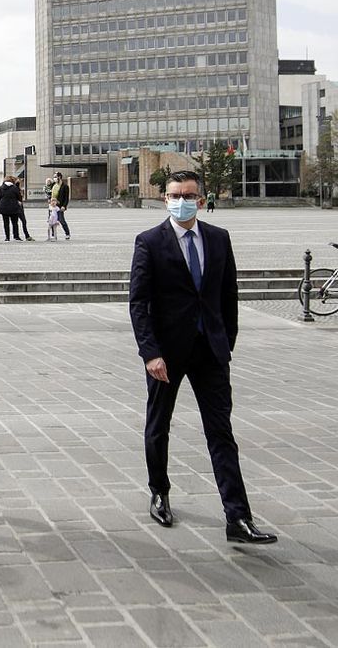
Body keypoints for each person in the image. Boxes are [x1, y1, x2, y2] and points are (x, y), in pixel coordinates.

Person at [129, 170, 277, 545]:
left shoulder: (218, 238)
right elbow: (139, 303)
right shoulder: (149, 242)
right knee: (159, 425)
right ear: (164, 199)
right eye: (175, 194)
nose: (182, 201)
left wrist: (227, 341)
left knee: (221, 432)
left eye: (189, 195)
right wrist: (150, 353)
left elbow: (229, 295)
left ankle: (237, 516)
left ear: (201, 199)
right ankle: (159, 492)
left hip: (210, 350)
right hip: (167, 353)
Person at [0, 175, 23, 242]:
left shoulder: (0, 188)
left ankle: (7, 237)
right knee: (15, 223)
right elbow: (19, 197)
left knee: (6, 223)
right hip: (14, 207)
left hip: (3, 207)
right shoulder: (15, 188)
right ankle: (16, 236)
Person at [52, 172, 71, 240]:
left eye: (55, 177)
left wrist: (64, 206)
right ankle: (53, 234)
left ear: (59, 177)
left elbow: (66, 198)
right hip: (52, 206)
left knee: (61, 220)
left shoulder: (65, 186)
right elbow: (51, 195)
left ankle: (67, 233)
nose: (54, 178)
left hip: (60, 206)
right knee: (52, 220)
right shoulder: (54, 185)